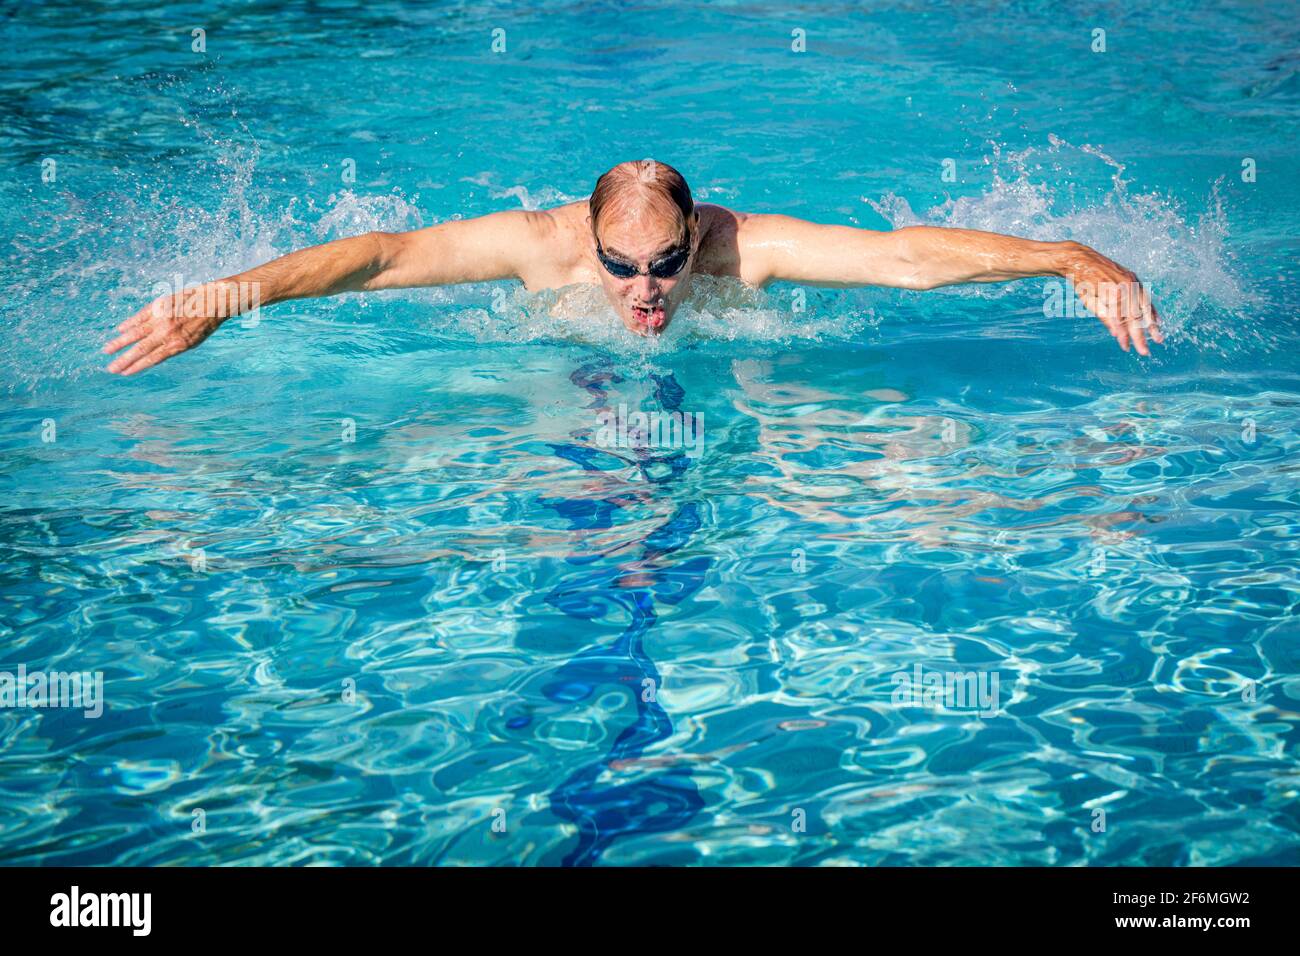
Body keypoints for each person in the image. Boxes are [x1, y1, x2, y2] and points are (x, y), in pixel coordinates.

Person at [103, 159, 1161, 375]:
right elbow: (378, 259)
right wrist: (227, 296)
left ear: (696, 238)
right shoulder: (539, 246)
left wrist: (1064, 257)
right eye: (621, 266)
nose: (646, 289)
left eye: (664, 263)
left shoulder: (742, 253)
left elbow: (904, 259)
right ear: (587, 237)